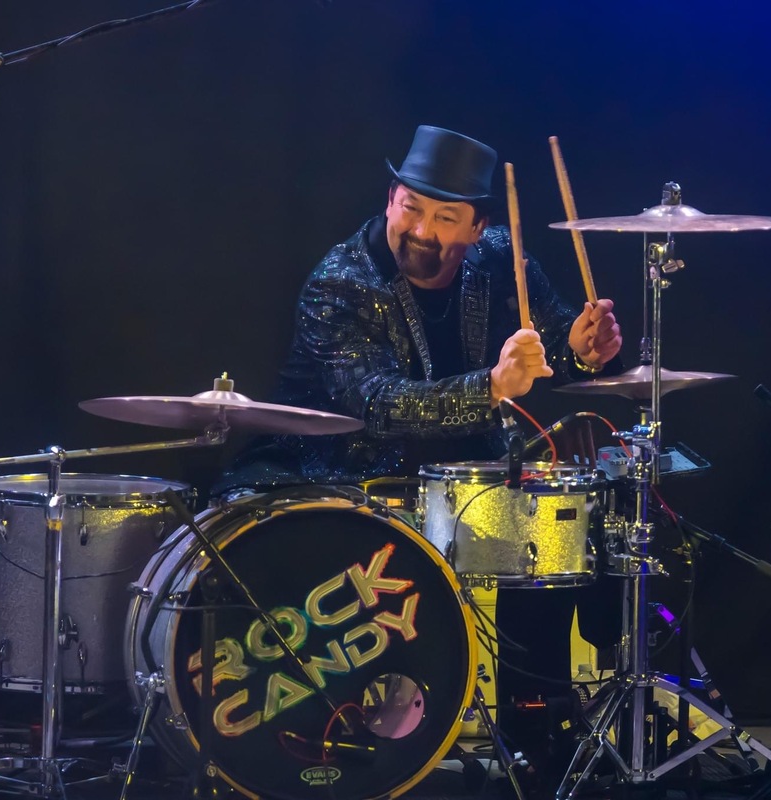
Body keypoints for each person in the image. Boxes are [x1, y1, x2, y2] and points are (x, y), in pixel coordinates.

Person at [218, 125, 624, 791]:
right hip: (336, 476)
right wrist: (492, 387)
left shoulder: (503, 261)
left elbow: (554, 340)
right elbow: (376, 402)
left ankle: (538, 738)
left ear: (478, 227)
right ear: (390, 199)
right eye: (411, 207)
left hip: (454, 479)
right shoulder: (340, 281)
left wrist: (582, 348)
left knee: (548, 530)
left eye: (445, 218)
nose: (422, 231)